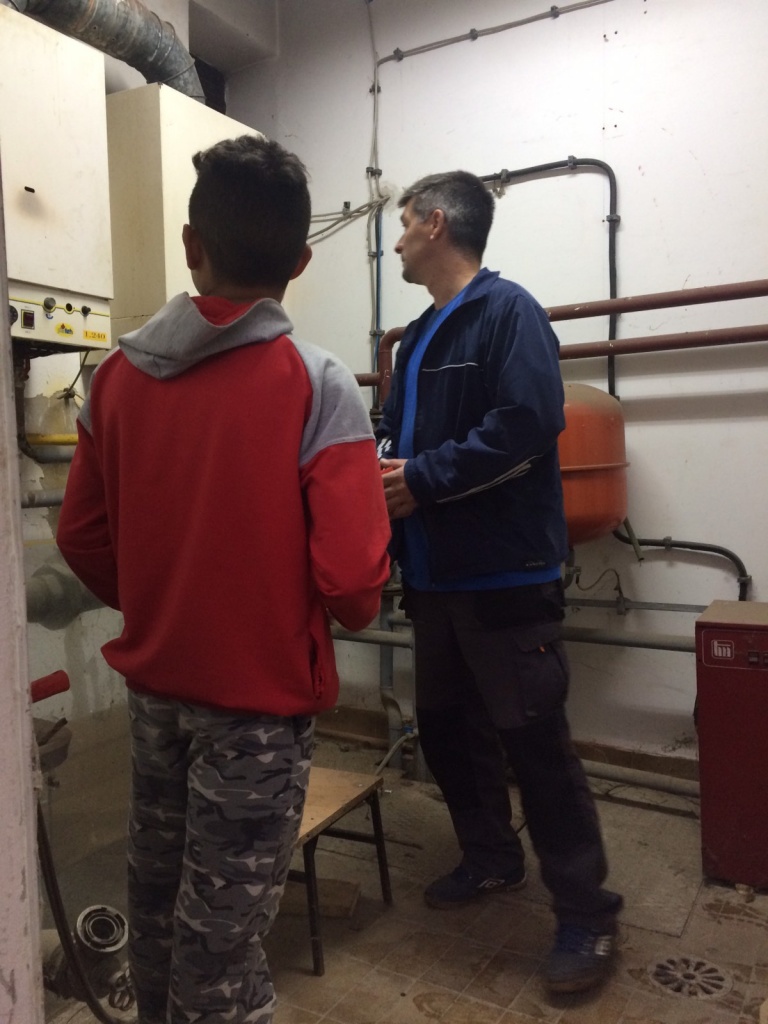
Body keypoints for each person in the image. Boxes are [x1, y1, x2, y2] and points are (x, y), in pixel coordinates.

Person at [56, 135, 391, 1024]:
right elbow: (354, 585)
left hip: (155, 699)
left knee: (156, 912)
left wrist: (165, 597)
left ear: (190, 244)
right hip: (256, 718)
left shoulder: (114, 379)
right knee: (223, 951)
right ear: (300, 262)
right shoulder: (318, 384)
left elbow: (81, 534)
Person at [377, 170, 623, 995]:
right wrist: (378, 469)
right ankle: (490, 857)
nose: (396, 240)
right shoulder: (420, 334)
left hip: (505, 575)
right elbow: (397, 437)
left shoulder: (508, 312)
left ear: (435, 224)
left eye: (403, 224)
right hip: (435, 575)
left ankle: (587, 915)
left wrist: (422, 479)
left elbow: (528, 424)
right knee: (448, 731)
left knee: (536, 748)